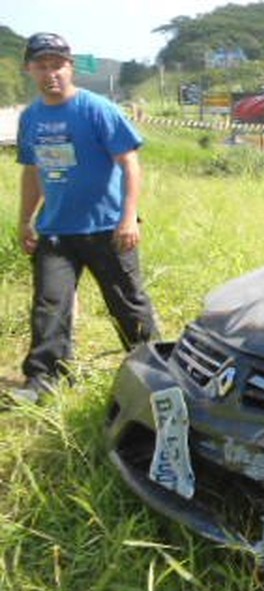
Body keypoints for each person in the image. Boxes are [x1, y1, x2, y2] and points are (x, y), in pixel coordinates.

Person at [11, 32, 160, 403]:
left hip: (108, 229)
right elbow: (32, 171)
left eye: (57, 65)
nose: (51, 73)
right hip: (56, 231)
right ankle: (44, 380)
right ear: (30, 69)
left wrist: (128, 219)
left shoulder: (97, 109)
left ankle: (156, 372)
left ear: (70, 67)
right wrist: (25, 220)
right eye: (42, 65)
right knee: (50, 305)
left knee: (128, 304)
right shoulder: (31, 117)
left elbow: (130, 163)